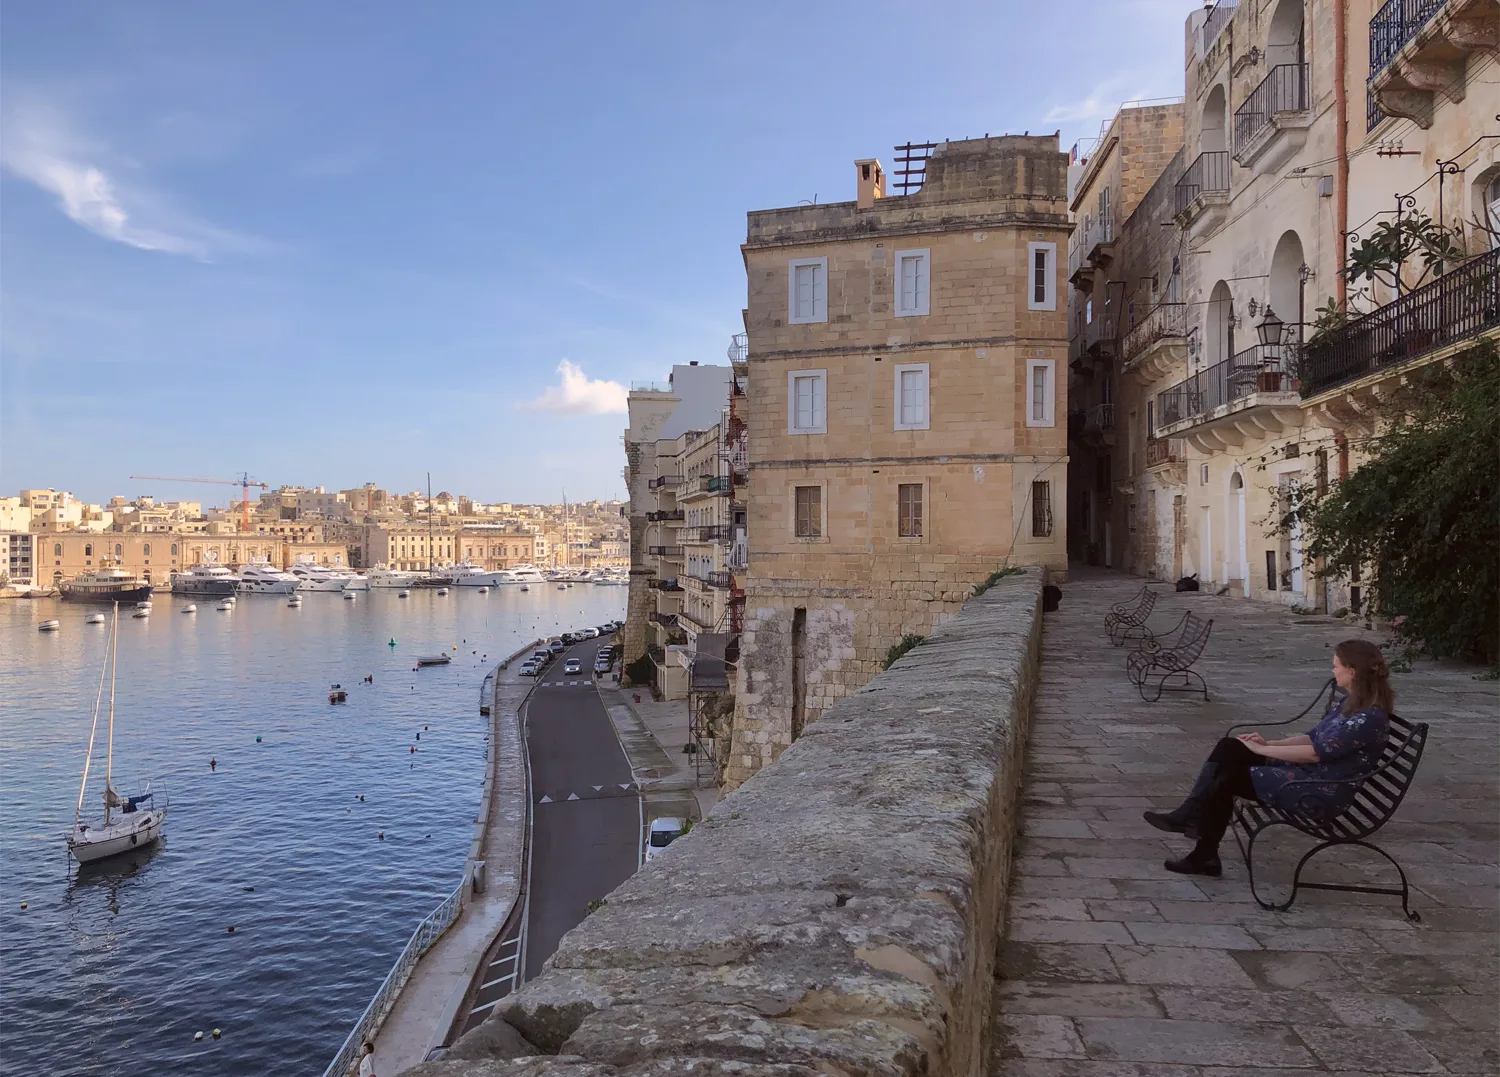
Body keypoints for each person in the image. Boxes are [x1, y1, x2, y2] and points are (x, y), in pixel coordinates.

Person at [1144, 639, 1393, 878]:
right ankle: (1191, 818)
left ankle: (1202, 848)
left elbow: (1315, 753)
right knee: (1231, 747)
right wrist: (1267, 744)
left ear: (1352, 671)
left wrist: (1261, 752)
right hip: (1308, 775)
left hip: (1319, 790)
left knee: (1229, 777)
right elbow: (1312, 737)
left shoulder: (1368, 718)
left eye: (1336, 665)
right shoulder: (1351, 704)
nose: (1333, 670)